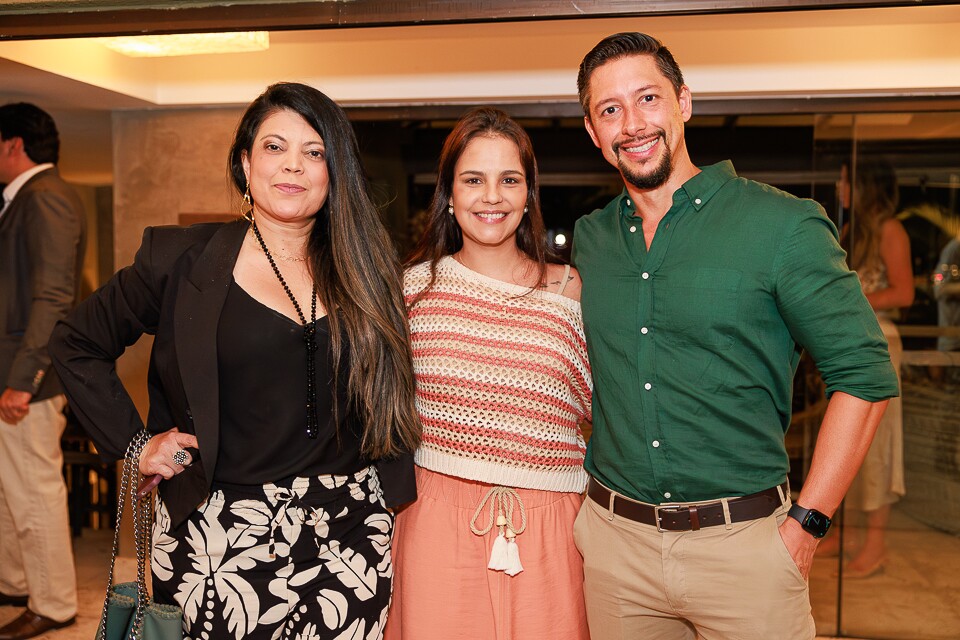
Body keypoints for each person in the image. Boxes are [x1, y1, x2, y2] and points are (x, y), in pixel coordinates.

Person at [49, 82, 420, 640]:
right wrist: (136, 444)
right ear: (245, 163)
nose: (293, 166)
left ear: (335, 170)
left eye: (314, 152)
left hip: (348, 538)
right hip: (217, 542)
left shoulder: (367, 270)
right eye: (274, 147)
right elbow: (76, 342)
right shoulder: (179, 260)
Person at [570, 32, 899, 639]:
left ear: (684, 102)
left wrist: (808, 525)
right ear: (593, 131)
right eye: (610, 109)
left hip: (746, 549)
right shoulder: (590, 239)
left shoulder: (782, 225)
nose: (632, 124)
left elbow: (866, 377)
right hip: (616, 550)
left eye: (647, 98)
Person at [385, 107, 592, 640]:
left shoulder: (570, 290)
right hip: (434, 518)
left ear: (529, 195)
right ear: (449, 195)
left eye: (510, 180)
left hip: (554, 525)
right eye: (473, 179)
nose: (492, 196)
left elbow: (608, 409)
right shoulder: (411, 291)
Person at [0, 103, 84, 640]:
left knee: (33, 489)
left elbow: (54, 296)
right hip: (14, 373)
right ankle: (15, 581)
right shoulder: (25, 198)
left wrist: (22, 377)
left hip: (27, 378)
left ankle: (53, 603)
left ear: (13, 145)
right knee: (10, 488)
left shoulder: (46, 197)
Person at [829, 158, 913, 578]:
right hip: (851, 342)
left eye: (846, 179)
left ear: (865, 184)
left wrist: (854, 301)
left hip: (881, 343)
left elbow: (905, 292)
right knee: (846, 443)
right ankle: (846, 534)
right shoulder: (852, 230)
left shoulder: (890, 229)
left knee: (876, 446)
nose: (840, 186)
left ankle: (876, 544)